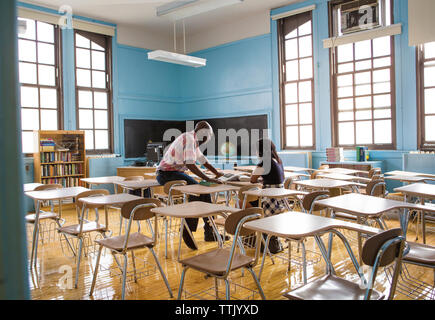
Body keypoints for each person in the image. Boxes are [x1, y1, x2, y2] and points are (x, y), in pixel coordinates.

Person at [156, 121, 225, 250]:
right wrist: (207, 178)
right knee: (198, 191)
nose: (208, 138)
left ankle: (210, 231)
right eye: (209, 135)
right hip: (167, 174)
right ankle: (187, 231)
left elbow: (202, 159)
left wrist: (216, 173)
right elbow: (190, 164)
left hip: (173, 173)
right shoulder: (189, 138)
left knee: (205, 193)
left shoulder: (192, 139)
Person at [249, 138, 285, 254]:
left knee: (241, 203)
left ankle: (252, 237)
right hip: (279, 200)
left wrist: (259, 179)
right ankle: (262, 236)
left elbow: (252, 179)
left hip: (269, 202)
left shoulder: (264, 162)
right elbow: (281, 178)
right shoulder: (278, 161)